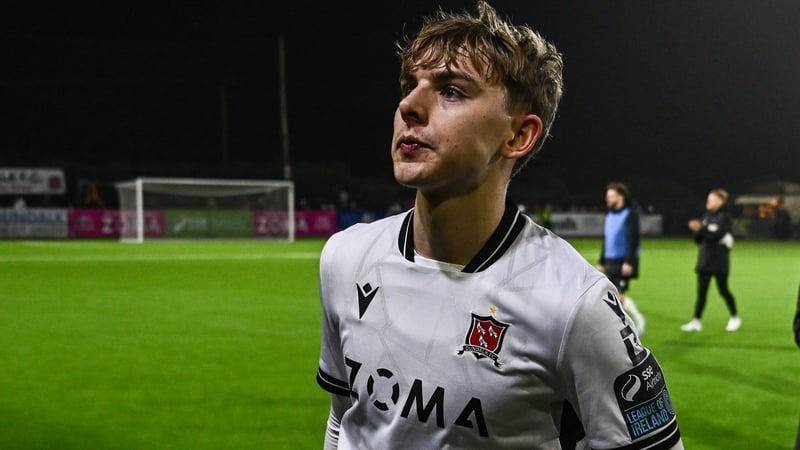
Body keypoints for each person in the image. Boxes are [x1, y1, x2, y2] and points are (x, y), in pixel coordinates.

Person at [315, 2, 684, 448]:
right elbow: (343, 423)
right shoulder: (345, 258)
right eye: (409, 85)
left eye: (451, 90)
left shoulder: (573, 305)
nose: (410, 105)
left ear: (518, 136)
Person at [681, 188, 741, 332]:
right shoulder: (707, 216)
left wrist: (701, 228)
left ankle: (734, 317)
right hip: (704, 261)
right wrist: (698, 230)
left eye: (712, 199)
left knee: (723, 290)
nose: (709, 202)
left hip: (719, 262)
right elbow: (698, 239)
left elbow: (716, 235)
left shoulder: (725, 217)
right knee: (701, 293)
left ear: (721, 201)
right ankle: (696, 321)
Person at [596, 182, 647, 336]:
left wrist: (629, 262)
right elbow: (607, 240)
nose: (607, 199)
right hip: (610, 261)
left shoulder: (630, 213)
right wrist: (601, 261)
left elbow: (633, 239)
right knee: (610, 295)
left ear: (621, 196)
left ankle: (638, 320)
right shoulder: (610, 214)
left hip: (623, 261)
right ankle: (620, 327)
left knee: (619, 295)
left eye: (610, 196)